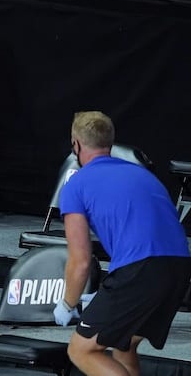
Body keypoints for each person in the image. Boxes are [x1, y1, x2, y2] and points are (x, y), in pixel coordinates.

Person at [53, 111, 191, 376]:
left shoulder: (76, 185)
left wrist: (67, 305)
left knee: (80, 350)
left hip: (140, 269)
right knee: (123, 344)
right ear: (110, 143)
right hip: (179, 267)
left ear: (76, 144)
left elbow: (80, 261)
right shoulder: (143, 175)